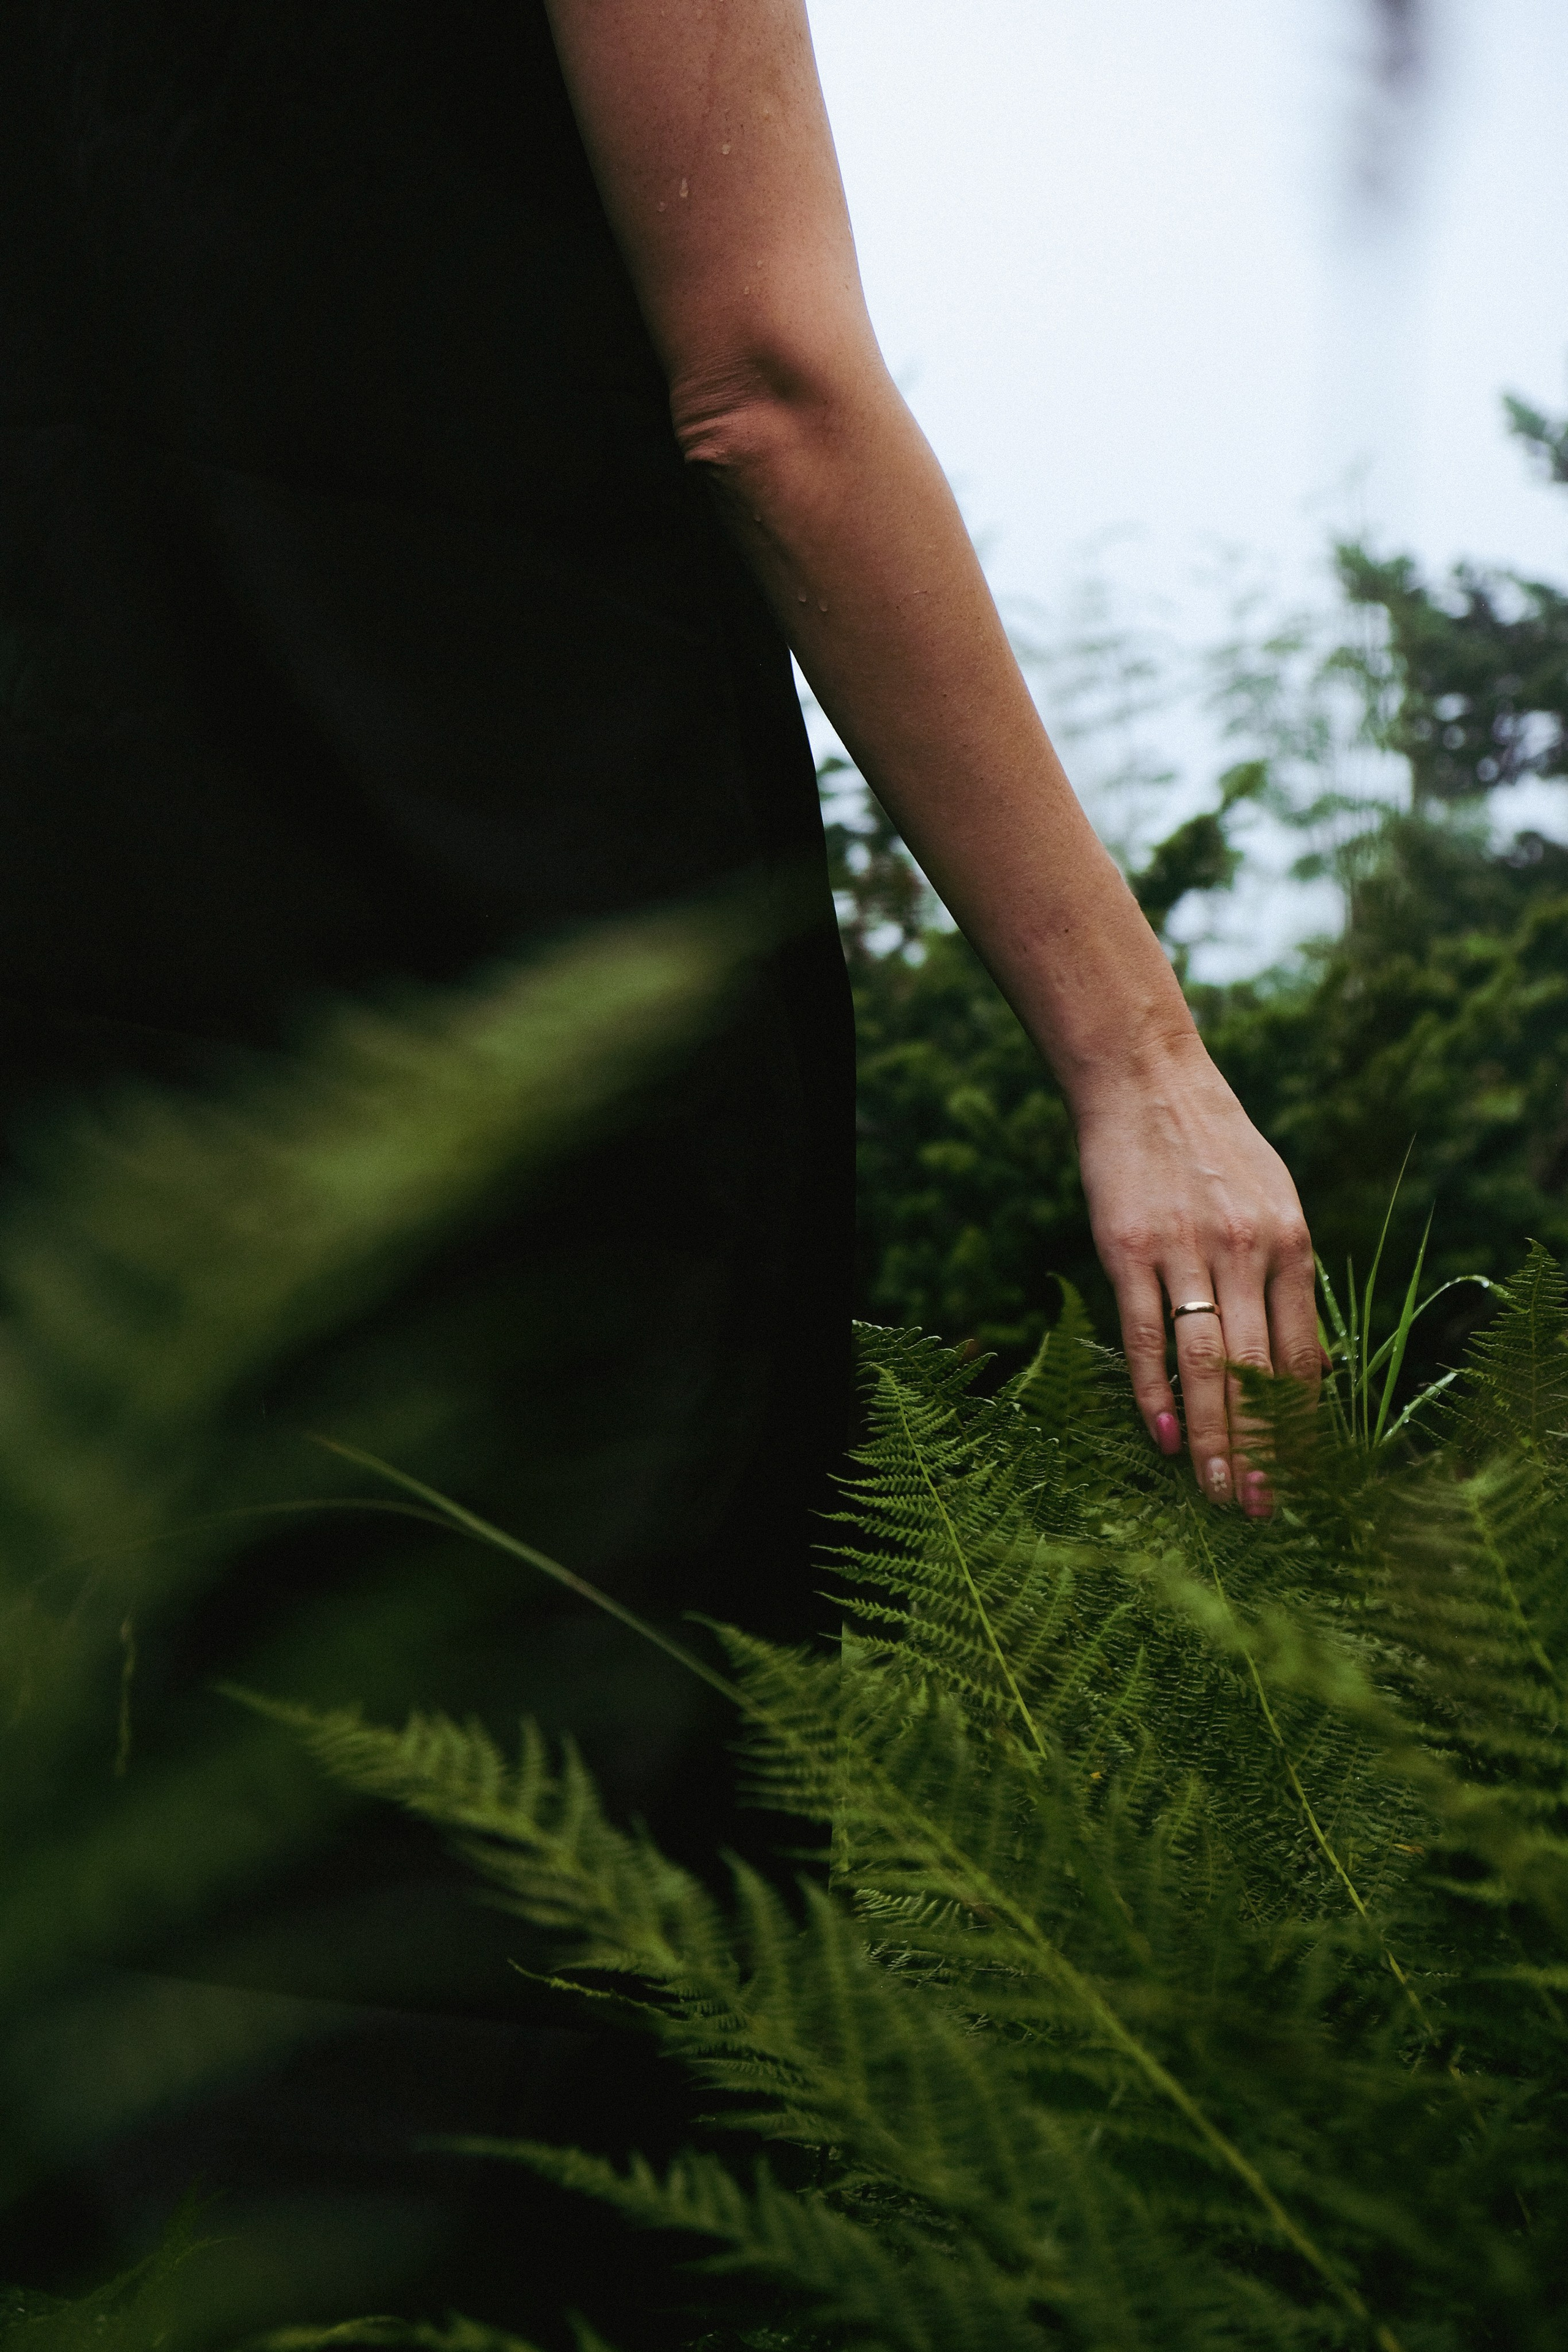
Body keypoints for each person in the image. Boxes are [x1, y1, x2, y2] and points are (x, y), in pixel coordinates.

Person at [0, 0, 1316, 2333]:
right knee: (545, 2005)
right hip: (520, 1035)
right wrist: (1137, 1060)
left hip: (90, 1029)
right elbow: (767, 387)